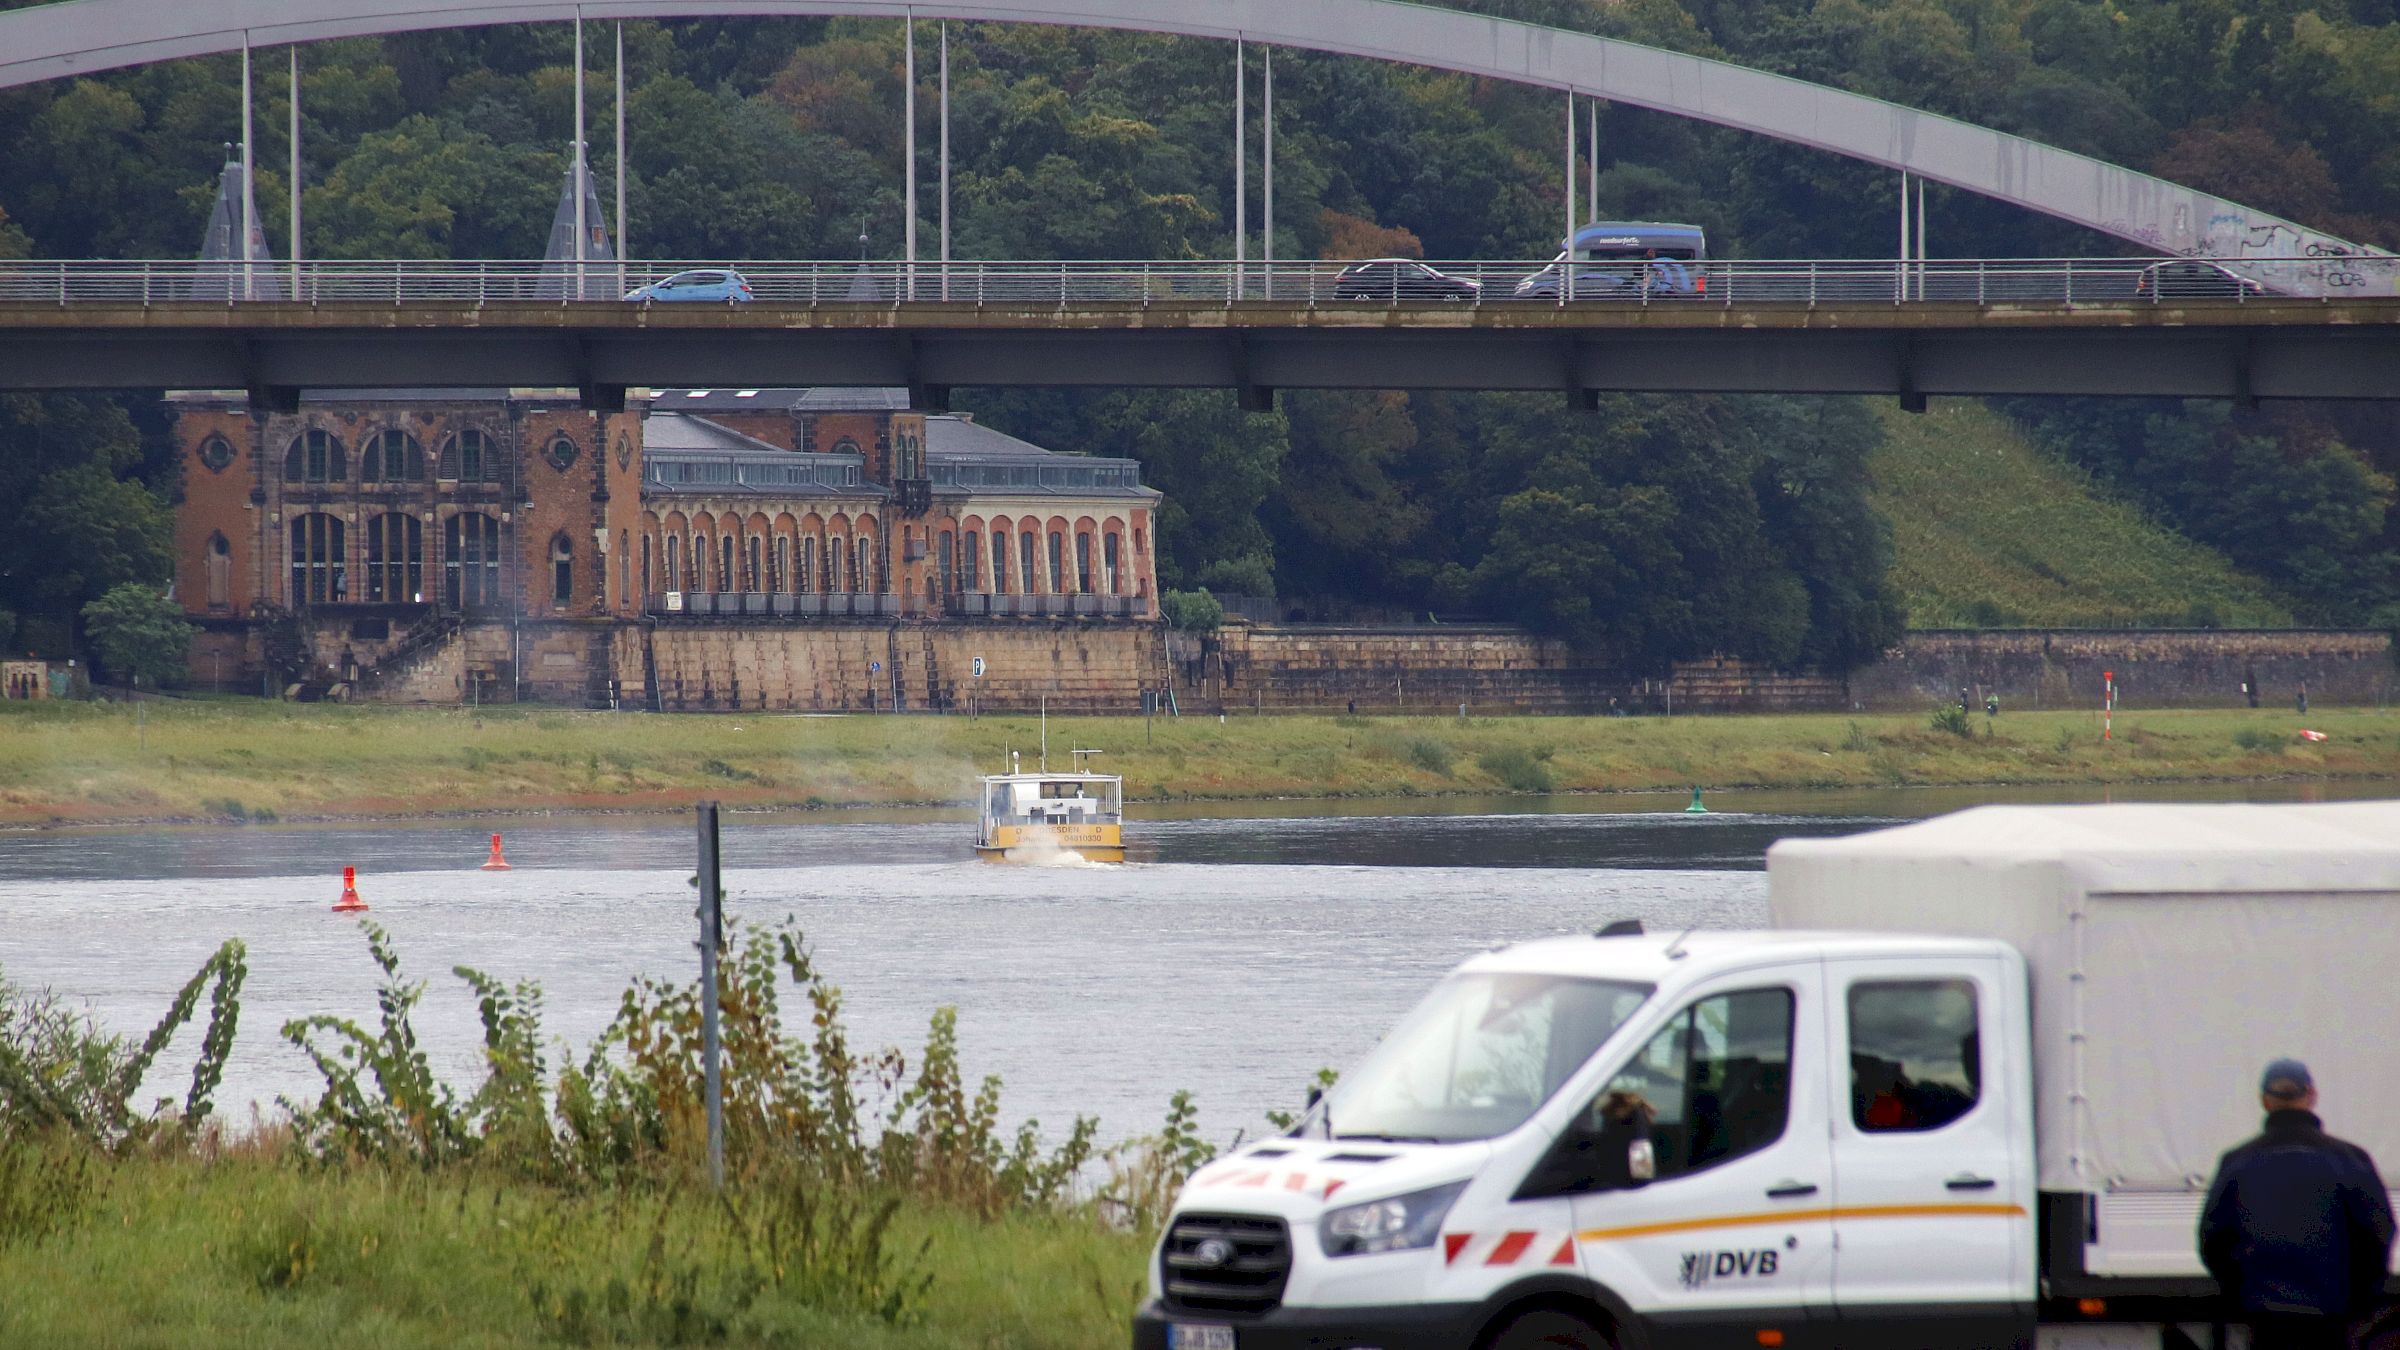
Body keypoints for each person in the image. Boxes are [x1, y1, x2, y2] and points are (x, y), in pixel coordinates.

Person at [2199, 1058, 2395, 1350]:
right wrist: (2360, 1301)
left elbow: (2213, 1241)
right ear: (2312, 1096)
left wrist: (2242, 1296)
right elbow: (2377, 1234)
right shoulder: (2350, 1159)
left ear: (2265, 1101)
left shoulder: (2237, 1162)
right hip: (2332, 1320)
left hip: (2266, 1320)